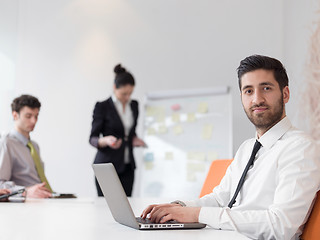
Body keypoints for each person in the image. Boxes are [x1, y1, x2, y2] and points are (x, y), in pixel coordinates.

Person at [141, 55, 320, 239]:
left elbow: (281, 226)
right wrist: (179, 208)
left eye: (266, 88)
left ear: (285, 94)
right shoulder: (247, 148)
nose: (257, 99)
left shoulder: (300, 148)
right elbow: (221, 199)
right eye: (248, 91)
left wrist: (196, 214)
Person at [90, 64, 146, 197]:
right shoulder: (102, 107)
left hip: (128, 166)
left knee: (128, 205)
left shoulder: (134, 105)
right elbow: (92, 138)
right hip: (107, 167)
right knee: (104, 208)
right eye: (124, 93)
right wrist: (106, 140)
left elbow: (129, 132)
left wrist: (134, 139)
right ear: (115, 88)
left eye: (130, 93)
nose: (127, 97)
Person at [0, 95, 52, 198]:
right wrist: (25, 191)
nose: (34, 121)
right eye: (28, 116)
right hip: (26, 202)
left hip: (42, 199)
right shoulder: (6, 143)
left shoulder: (34, 146)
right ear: (15, 115)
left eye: (36, 116)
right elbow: (1, 184)